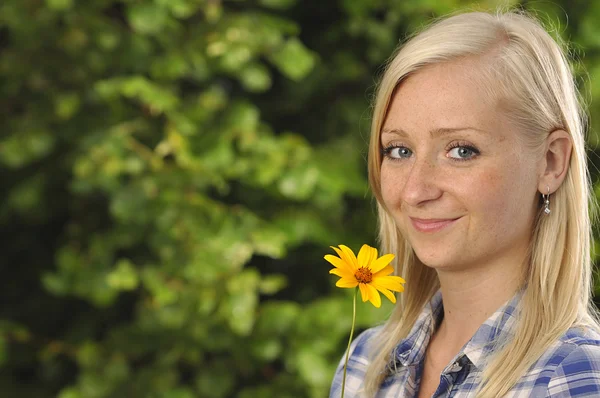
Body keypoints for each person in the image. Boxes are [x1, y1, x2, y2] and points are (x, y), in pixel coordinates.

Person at [329, 10, 600, 398]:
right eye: (399, 150)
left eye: (461, 150)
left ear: (551, 162)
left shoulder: (569, 376)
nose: (414, 191)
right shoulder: (365, 364)